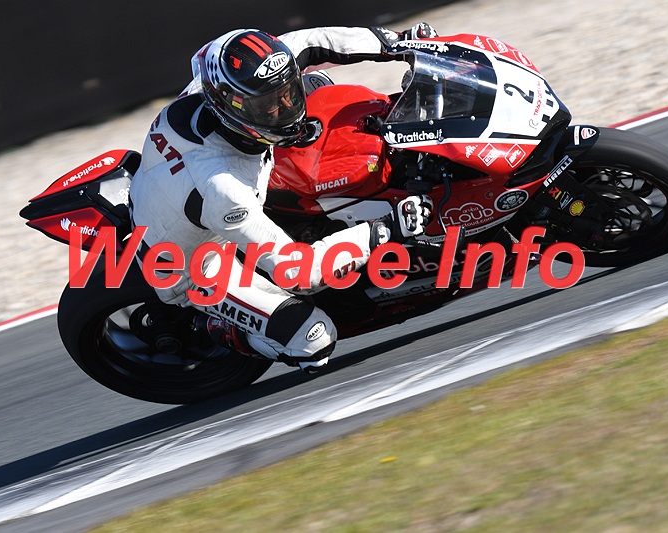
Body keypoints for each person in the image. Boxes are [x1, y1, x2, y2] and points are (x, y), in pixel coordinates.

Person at [129, 23, 437, 373]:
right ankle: (222, 327)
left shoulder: (225, 88)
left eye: (287, 91)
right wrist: (384, 230)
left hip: (192, 194)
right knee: (314, 339)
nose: (288, 106)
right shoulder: (223, 189)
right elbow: (298, 273)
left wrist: (396, 43)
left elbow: (312, 42)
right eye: (269, 105)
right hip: (195, 262)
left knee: (318, 86)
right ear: (230, 107)